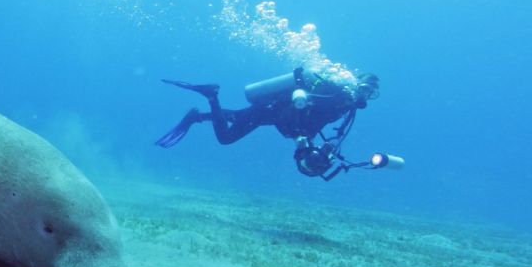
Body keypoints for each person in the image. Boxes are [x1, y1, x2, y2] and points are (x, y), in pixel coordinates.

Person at [155, 68, 381, 180]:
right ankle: (210, 97)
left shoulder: (346, 106)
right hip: (273, 110)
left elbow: (316, 124)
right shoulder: (334, 94)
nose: (365, 96)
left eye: (370, 94)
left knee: (236, 117)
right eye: (364, 89)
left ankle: (199, 114)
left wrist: (314, 145)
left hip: (272, 115)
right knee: (226, 137)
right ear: (355, 84)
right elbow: (296, 113)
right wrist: (300, 139)